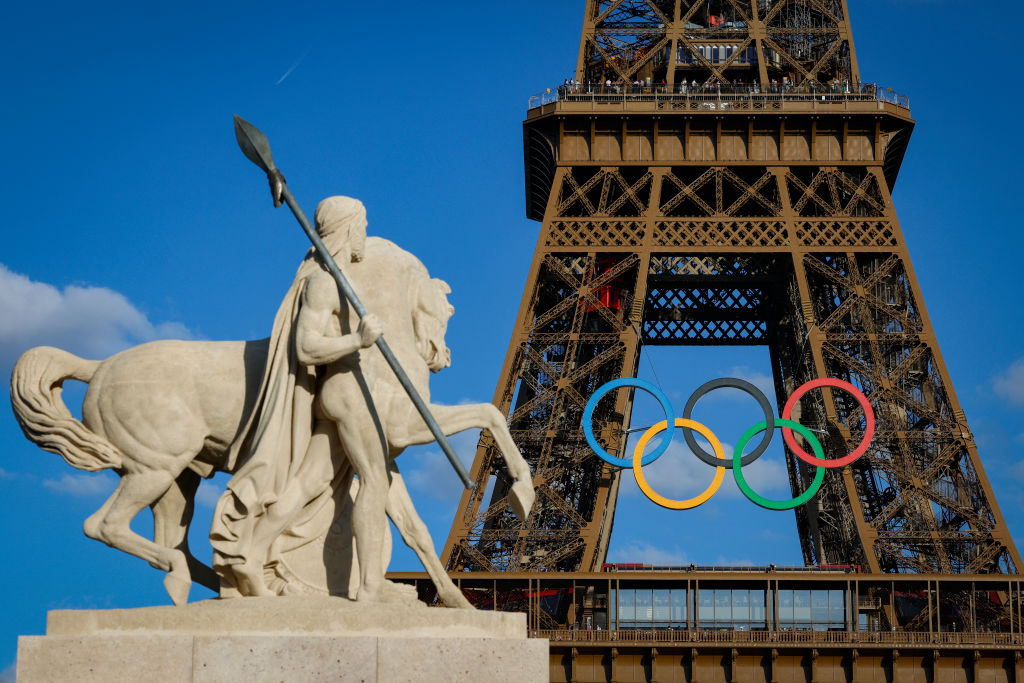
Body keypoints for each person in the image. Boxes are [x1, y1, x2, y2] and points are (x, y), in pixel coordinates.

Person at [211, 196, 384, 598]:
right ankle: (372, 586)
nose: (365, 233)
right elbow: (305, 347)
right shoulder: (324, 281)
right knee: (375, 480)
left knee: (307, 484)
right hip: (348, 392)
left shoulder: (338, 279)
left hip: (342, 394)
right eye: (362, 224)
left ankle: (251, 555)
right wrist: (357, 339)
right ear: (345, 228)